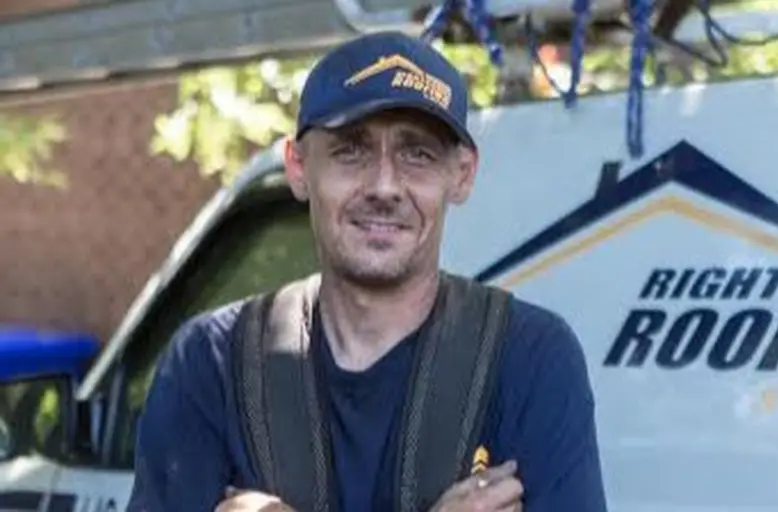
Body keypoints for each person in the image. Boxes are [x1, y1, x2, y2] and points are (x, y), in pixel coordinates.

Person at [126, 30, 607, 512]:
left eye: (417, 153)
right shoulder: (212, 363)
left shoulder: (527, 357)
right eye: (350, 150)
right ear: (297, 167)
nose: (384, 185)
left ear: (462, 174)